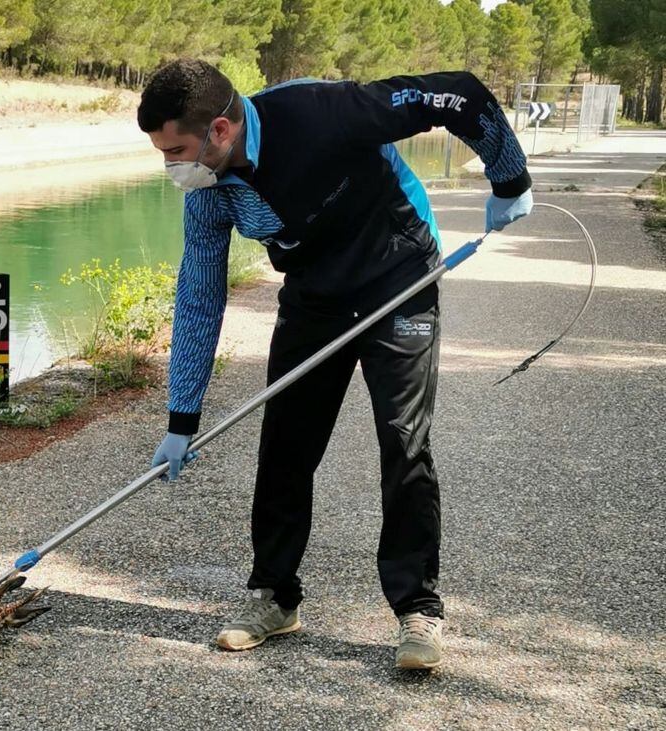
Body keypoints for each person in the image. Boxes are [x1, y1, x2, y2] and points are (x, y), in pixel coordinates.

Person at [138, 59, 532, 670]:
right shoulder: (209, 189)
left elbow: (455, 95)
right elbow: (199, 292)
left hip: (397, 272)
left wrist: (510, 179)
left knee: (403, 442)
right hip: (315, 291)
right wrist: (181, 417)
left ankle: (416, 610)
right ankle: (274, 596)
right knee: (286, 445)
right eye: (163, 153)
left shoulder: (321, 112)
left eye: (177, 150)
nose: (171, 166)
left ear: (219, 129)